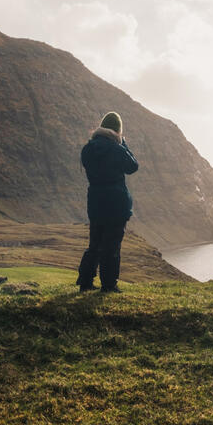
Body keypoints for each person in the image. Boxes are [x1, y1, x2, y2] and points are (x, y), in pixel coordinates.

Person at [76, 111, 139, 292]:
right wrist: (123, 142)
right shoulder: (117, 149)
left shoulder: (88, 149)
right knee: (111, 246)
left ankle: (85, 282)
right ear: (117, 130)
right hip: (116, 203)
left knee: (95, 244)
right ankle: (109, 285)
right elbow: (133, 166)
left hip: (95, 201)